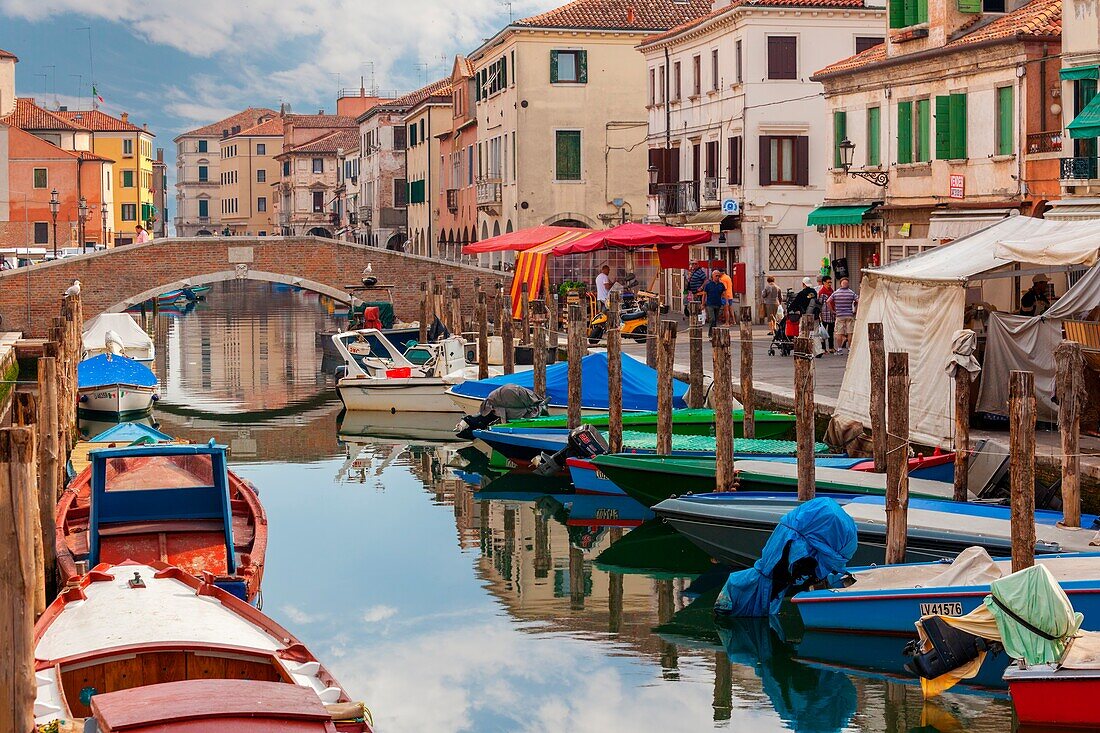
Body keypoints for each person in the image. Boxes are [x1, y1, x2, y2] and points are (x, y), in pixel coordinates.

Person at [826, 277, 858, 354]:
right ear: (848, 284)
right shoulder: (851, 293)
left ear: (840, 284)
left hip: (839, 315)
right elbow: (858, 300)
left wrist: (833, 311)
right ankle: (850, 348)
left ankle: (839, 349)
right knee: (850, 332)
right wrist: (855, 309)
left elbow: (828, 302)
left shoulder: (836, 293)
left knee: (839, 333)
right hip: (849, 315)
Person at [702, 270, 727, 334]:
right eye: (716, 276)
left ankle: (714, 333)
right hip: (710, 304)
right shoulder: (708, 285)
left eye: (719, 276)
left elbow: (724, 294)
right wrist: (703, 304)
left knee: (715, 320)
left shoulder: (721, 285)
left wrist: (725, 302)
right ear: (712, 276)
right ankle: (710, 333)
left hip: (718, 304)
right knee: (712, 319)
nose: (718, 277)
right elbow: (704, 295)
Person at [818, 275, 835, 353]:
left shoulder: (831, 291)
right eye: (828, 282)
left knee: (831, 331)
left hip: (831, 314)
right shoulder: (822, 292)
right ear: (824, 282)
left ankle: (831, 347)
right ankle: (823, 348)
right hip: (824, 314)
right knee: (823, 332)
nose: (830, 284)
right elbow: (820, 303)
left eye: (831, 282)